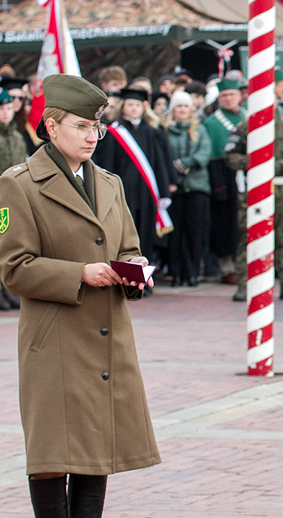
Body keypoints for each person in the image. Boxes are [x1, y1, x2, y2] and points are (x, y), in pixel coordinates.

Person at [0, 75, 159, 517]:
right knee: (53, 455)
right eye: (81, 127)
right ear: (51, 127)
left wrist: (135, 272)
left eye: (96, 128)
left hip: (107, 336)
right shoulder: (19, 184)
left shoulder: (109, 182)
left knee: (96, 453)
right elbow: (14, 268)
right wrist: (80, 274)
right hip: (55, 339)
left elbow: (128, 246)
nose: (92, 137)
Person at [225, 79, 283, 301]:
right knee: (247, 236)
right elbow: (231, 157)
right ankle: (244, 284)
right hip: (251, 192)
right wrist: (255, 163)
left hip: (280, 191)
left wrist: (276, 165)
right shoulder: (243, 128)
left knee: (282, 238)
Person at [92, 87, 173, 271]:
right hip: (124, 190)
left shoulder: (151, 133)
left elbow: (159, 164)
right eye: (130, 104)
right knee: (124, 232)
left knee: (145, 232)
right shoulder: (114, 132)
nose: (134, 108)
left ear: (143, 108)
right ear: (123, 107)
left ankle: (144, 273)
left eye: (137, 105)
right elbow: (108, 163)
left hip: (146, 191)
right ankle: (125, 270)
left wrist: (164, 190)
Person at [164, 91, 211, 288]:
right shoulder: (165, 131)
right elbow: (161, 155)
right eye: (178, 106)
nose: (182, 110)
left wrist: (186, 163)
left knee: (194, 231)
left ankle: (192, 272)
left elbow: (204, 153)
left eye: (185, 106)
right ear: (173, 110)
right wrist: (173, 169)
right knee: (175, 233)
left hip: (196, 186)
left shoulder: (200, 130)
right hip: (174, 188)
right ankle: (176, 273)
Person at [202, 79, 247, 284]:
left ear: (240, 95)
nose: (229, 99)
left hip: (247, 173)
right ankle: (227, 267)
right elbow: (211, 156)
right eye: (224, 96)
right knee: (227, 223)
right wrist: (218, 185)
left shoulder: (248, 116)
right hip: (224, 173)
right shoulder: (212, 122)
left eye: (232, 94)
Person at [0, 88, 26, 310]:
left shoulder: (17, 137)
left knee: (10, 243)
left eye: (9, 108)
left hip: (11, 199)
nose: (6, 113)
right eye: (1, 109)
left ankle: (8, 289)